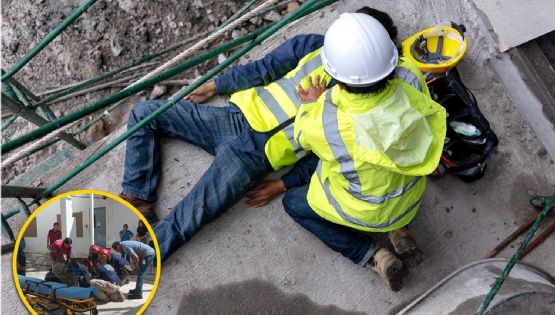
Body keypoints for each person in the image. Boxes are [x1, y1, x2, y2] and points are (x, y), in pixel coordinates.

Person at [119, 8, 401, 261]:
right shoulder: (315, 46)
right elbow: (265, 68)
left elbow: (328, 157)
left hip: (254, 157)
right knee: (144, 114)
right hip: (233, 117)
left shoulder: (362, 104)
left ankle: (131, 265)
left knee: (184, 220)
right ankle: (138, 196)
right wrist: (218, 85)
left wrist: (283, 184)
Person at [282, 13, 446, 291]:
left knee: (293, 204)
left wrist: (311, 104)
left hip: (364, 210)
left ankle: (376, 257)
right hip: (410, 196)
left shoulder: (327, 120)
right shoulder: (411, 74)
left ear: (337, 78)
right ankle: (398, 231)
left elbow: (301, 137)